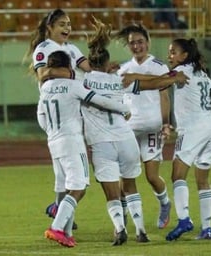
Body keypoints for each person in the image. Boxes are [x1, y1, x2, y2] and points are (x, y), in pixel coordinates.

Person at [38, 50, 131, 247]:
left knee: (66, 187)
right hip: (72, 141)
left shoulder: (45, 87)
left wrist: (52, 131)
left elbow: (41, 115)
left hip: (53, 141)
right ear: (67, 66)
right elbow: (99, 100)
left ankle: (67, 232)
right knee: (79, 188)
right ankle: (56, 227)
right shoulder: (73, 85)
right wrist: (124, 108)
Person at [81, 17, 149, 245]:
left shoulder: (83, 81)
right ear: (109, 62)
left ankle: (120, 228)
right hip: (126, 138)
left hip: (102, 143)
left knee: (111, 192)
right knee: (130, 187)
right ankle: (140, 230)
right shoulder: (118, 78)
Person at [24, 8, 91, 229]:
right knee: (71, 163)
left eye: (69, 24)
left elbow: (90, 71)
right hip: (53, 110)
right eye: (62, 24)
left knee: (62, 169)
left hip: (69, 107)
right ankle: (61, 210)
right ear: (49, 28)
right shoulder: (44, 48)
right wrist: (74, 75)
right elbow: (44, 74)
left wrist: (102, 64)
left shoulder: (71, 48)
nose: (67, 28)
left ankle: (58, 207)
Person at [163, 38, 211, 241]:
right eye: (169, 52)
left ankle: (184, 219)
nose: (169, 56)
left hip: (193, 130)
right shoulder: (200, 74)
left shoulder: (180, 73)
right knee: (202, 180)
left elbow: (159, 81)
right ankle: (207, 229)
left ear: (184, 56)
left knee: (177, 175)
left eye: (173, 52)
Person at [113, 23, 173, 230]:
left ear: (148, 42)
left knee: (151, 176)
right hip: (129, 128)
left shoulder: (158, 66)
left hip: (152, 127)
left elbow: (164, 94)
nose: (137, 46)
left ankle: (165, 203)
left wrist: (166, 123)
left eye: (140, 42)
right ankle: (122, 217)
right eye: (132, 43)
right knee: (126, 177)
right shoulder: (123, 69)